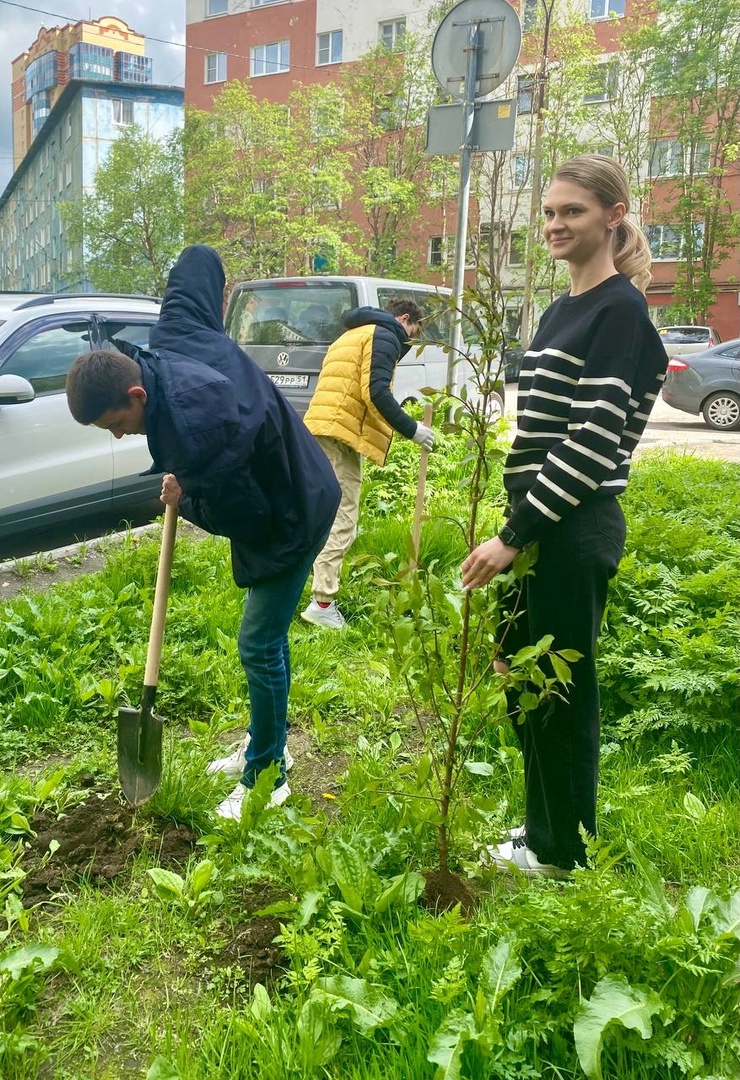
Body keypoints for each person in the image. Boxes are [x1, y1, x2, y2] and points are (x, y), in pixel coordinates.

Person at [65, 245, 340, 820]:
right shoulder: (171, 340)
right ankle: (266, 737)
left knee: (258, 643)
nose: (119, 437)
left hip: (291, 514)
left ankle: (268, 773)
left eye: (118, 424)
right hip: (296, 479)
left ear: (135, 394)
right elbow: (195, 270)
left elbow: (249, 522)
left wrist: (184, 498)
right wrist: (202, 251)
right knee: (267, 643)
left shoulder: (195, 435)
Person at [461, 155, 668, 879]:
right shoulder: (559, 311)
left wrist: (512, 537)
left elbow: (590, 442)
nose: (554, 225)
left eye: (571, 211)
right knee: (523, 684)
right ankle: (544, 829)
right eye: (548, 212)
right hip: (536, 519)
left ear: (613, 216)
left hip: (569, 527)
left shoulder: (619, 310)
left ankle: (564, 854)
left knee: (560, 696)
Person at [300, 299, 435, 629]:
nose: (411, 341)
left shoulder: (351, 333)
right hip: (339, 435)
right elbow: (375, 392)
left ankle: (280, 587)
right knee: (342, 516)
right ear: (404, 318)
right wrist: (412, 429)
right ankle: (322, 604)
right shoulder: (386, 335)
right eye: (414, 332)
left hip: (321, 427)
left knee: (314, 514)